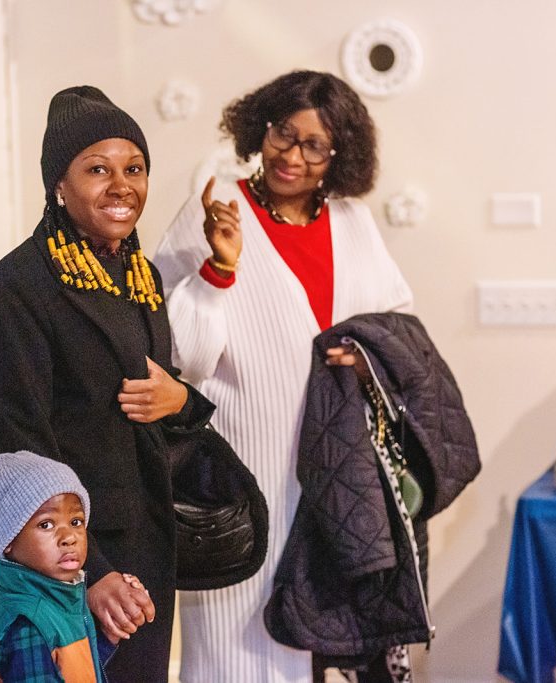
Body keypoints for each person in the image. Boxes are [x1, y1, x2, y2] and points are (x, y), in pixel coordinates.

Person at [153, 70, 414, 683]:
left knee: (330, 643)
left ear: (339, 153)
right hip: (244, 478)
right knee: (233, 653)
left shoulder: (353, 221)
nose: (292, 157)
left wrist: (368, 355)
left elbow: (397, 323)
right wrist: (218, 270)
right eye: (282, 134)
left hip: (338, 475)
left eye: (314, 145)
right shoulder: (215, 212)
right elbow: (178, 357)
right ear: (260, 129)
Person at [0, 85, 215, 683]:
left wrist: (181, 399)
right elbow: (17, 446)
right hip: (55, 560)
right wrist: (87, 569)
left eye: (134, 169)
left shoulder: (141, 276)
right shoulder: (17, 287)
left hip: (142, 543)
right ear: (59, 184)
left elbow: (152, 400)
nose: (121, 185)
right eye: (98, 169)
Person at [0, 450, 124, 682]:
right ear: (8, 540)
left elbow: (71, 670)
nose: (69, 537)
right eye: (46, 525)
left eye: (76, 521)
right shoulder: (27, 625)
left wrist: (106, 638)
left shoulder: (58, 600)